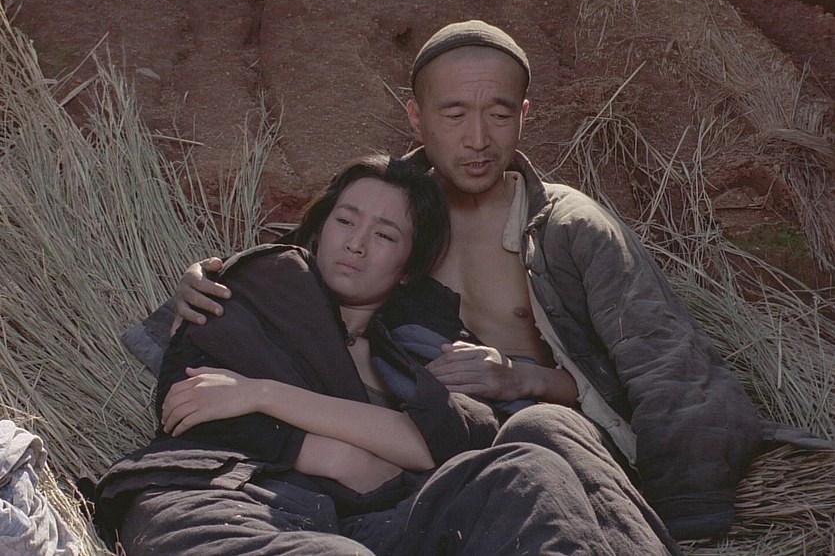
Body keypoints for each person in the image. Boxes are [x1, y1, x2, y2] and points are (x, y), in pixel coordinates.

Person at [170, 20, 770, 541]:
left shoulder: (568, 229)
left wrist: (522, 378)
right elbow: (306, 274)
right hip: (426, 448)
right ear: (416, 117)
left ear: (523, 116)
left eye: (499, 116)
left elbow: (664, 367)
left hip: (557, 442)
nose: (478, 139)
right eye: (454, 115)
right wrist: (209, 279)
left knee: (540, 433)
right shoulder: (392, 208)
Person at [97, 155, 680, 555]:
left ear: (406, 269)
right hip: (226, 504)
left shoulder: (410, 350)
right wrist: (329, 451)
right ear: (319, 230)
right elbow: (188, 404)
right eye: (345, 221)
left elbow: (433, 446)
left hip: (359, 524)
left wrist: (264, 394)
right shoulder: (263, 287)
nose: (355, 243)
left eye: (384, 235)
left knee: (529, 472)